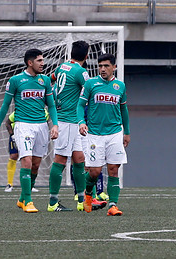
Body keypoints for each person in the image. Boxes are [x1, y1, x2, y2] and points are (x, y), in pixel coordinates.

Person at [0, 49, 59, 213]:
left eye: (43, 60)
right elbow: (5, 105)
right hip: (23, 125)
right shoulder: (16, 80)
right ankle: (28, 200)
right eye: (39, 61)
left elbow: (51, 105)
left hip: (42, 126)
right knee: (26, 160)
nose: (43, 63)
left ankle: (22, 198)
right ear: (30, 62)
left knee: (35, 164)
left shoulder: (45, 81)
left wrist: (54, 125)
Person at [48, 41, 107, 212]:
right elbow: (91, 90)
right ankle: (52, 203)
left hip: (72, 121)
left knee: (80, 159)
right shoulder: (82, 72)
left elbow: (51, 78)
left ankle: (83, 201)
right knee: (60, 160)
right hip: (66, 120)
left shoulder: (63, 66)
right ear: (87, 56)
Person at [78, 53, 130, 216]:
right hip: (94, 134)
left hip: (115, 132)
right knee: (94, 171)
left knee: (114, 169)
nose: (102, 69)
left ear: (114, 67)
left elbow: (124, 110)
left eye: (106, 66)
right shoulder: (90, 84)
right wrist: (81, 122)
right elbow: (80, 105)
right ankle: (87, 194)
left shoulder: (120, 86)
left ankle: (113, 205)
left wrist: (126, 131)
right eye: (100, 66)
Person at [3, 110, 44, 193]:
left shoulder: (44, 113)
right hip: (18, 135)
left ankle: (31, 184)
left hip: (33, 136)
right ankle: (9, 184)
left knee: (32, 159)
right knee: (14, 156)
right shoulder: (18, 111)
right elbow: (7, 123)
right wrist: (12, 135)